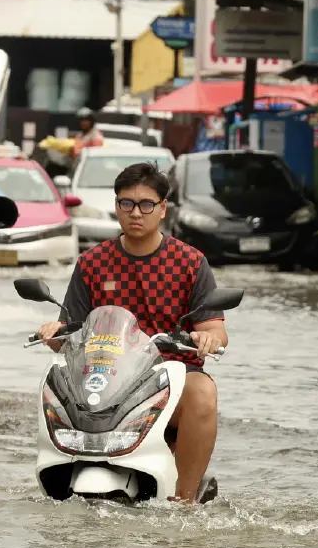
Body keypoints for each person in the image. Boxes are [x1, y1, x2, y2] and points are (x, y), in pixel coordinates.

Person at [35, 162, 228, 504]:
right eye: (126, 203)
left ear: (163, 208)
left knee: (204, 393)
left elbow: (215, 328)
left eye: (146, 204)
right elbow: (71, 331)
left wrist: (209, 338)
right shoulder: (92, 263)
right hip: (105, 375)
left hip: (170, 376)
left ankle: (184, 502)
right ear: (116, 206)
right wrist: (54, 333)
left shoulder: (191, 262)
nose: (135, 212)